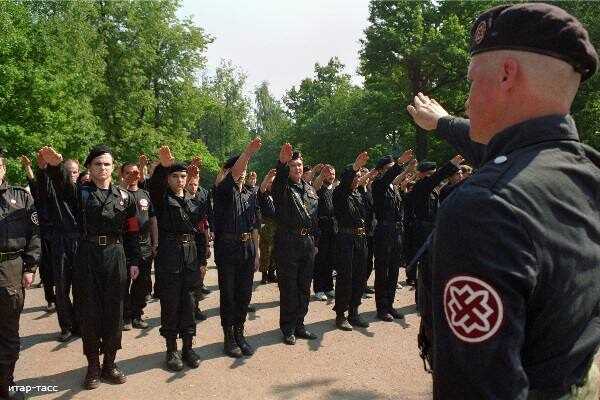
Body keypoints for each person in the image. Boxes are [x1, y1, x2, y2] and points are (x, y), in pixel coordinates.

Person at [407, 3, 600, 398]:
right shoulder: (586, 171)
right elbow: (513, 154)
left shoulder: (485, 207)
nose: (466, 99)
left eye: (472, 81)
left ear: (507, 74)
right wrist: (443, 123)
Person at [41, 145, 141, 390]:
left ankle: (110, 363)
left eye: (107, 164)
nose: (102, 168)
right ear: (89, 168)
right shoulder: (81, 193)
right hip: (87, 256)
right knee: (89, 312)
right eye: (97, 164)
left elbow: (132, 231)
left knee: (115, 312)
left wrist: (135, 261)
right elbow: (63, 189)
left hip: (116, 256)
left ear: (113, 167)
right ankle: (93, 367)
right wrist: (56, 166)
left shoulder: (125, 196)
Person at [148, 146, 202, 371]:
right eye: (175, 176)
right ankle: (171, 350)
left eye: (183, 176)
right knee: (170, 302)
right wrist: (164, 166)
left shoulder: (192, 200)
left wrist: (200, 261)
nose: (180, 180)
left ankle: (188, 347)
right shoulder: (161, 198)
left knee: (189, 301)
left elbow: (198, 230)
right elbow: (155, 185)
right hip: (169, 254)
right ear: (168, 179)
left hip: (189, 254)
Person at [212, 138, 262, 357]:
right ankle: (229, 336)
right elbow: (233, 174)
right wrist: (247, 153)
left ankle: (240, 333)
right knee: (229, 295)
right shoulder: (223, 191)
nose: (243, 172)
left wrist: (257, 252)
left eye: (244, 169)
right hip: (228, 247)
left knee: (244, 294)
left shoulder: (249, 195)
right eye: (239, 168)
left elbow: (254, 226)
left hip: (246, 247)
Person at [0, 151, 40, 400]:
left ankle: (6, 385)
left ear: (3, 168)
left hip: (10, 268)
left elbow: (35, 234)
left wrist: (30, 267)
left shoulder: (21, 197)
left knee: (8, 331)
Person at [272, 144, 319, 345]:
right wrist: (282, 162)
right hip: (288, 242)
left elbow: (314, 217)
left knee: (304, 287)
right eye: (293, 165)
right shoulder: (282, 187)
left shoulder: (309, 189)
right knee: (289, 287)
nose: (297, 168)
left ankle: (300, 324)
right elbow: (279, 181)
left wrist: (315, 242)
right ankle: (288, 328)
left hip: (307, 243)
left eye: (299, 165)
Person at [331, 152, 376, 331]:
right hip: (345, 239)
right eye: (355, 176)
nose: (358, 179)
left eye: (359, 176)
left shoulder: (358, 194)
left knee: (359, 276)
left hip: (360, 238)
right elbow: (345, 185)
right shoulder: (340, 192)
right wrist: (355, 166)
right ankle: (341, 314)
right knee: (345, 277)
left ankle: (354, 312)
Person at [371, 150, 414, 322]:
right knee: (382, 271)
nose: (392, 171)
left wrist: (406, 167)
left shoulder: (393, 188)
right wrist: (399, 165)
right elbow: (389, 178)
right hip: (383, 231)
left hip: (396, 232)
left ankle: (390, 305)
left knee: (394, 271)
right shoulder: (378, 184)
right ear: (381, 170)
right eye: (388, 168)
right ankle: (381, 308)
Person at [120, 163, 158, 330]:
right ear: (121, 174)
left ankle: (137, 315)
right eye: (128, 173)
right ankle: (125, 316)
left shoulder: (145, 194)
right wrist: (123, 186)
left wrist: (155, 242)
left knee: (142, 284)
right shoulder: (118, 193)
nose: (132, 175)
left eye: (135, 172)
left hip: (144, 246)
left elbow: (152, 220)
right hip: (123, 246)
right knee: (123, 283)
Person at [20, 155, 55, 313]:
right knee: (46, 270)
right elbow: (32, 180)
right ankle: (50, 299)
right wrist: (28, 167)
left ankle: (62, 299)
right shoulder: (38, 193)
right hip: (43, 235)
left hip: (57, 235)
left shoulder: (58, 194)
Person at [184, 157, 212, 322]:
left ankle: (195, 307)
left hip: (200, 240)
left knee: (199, 275)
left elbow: (206, 222)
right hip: (186, 241)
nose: (193, 186)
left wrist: (208, 244)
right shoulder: (180, 199)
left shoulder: (203, 196)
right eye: (190, 183)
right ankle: (187, 309)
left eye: (195, 183)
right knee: (187, 277)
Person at [312, 165, 336, 301]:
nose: (331, 176)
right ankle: (319, 288)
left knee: (330, 259)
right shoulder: (318, 188)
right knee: (320, 260)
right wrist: (321, 175)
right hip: (321, 229)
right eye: (328, 174)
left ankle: (328, 287)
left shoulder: (334, 189)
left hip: (333, 229)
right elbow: (314, 185)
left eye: (333, 173)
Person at [258, 169, 278, 284]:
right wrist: (268, 177)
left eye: (273, 182)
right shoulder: (263, 195)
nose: (271, 184)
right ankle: (264, 275)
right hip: (266, 225)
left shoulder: (277, 194)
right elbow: (262, 188)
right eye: (270, 182)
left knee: (275, 251)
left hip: (277, 225)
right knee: (266, 251)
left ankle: (272, 273)